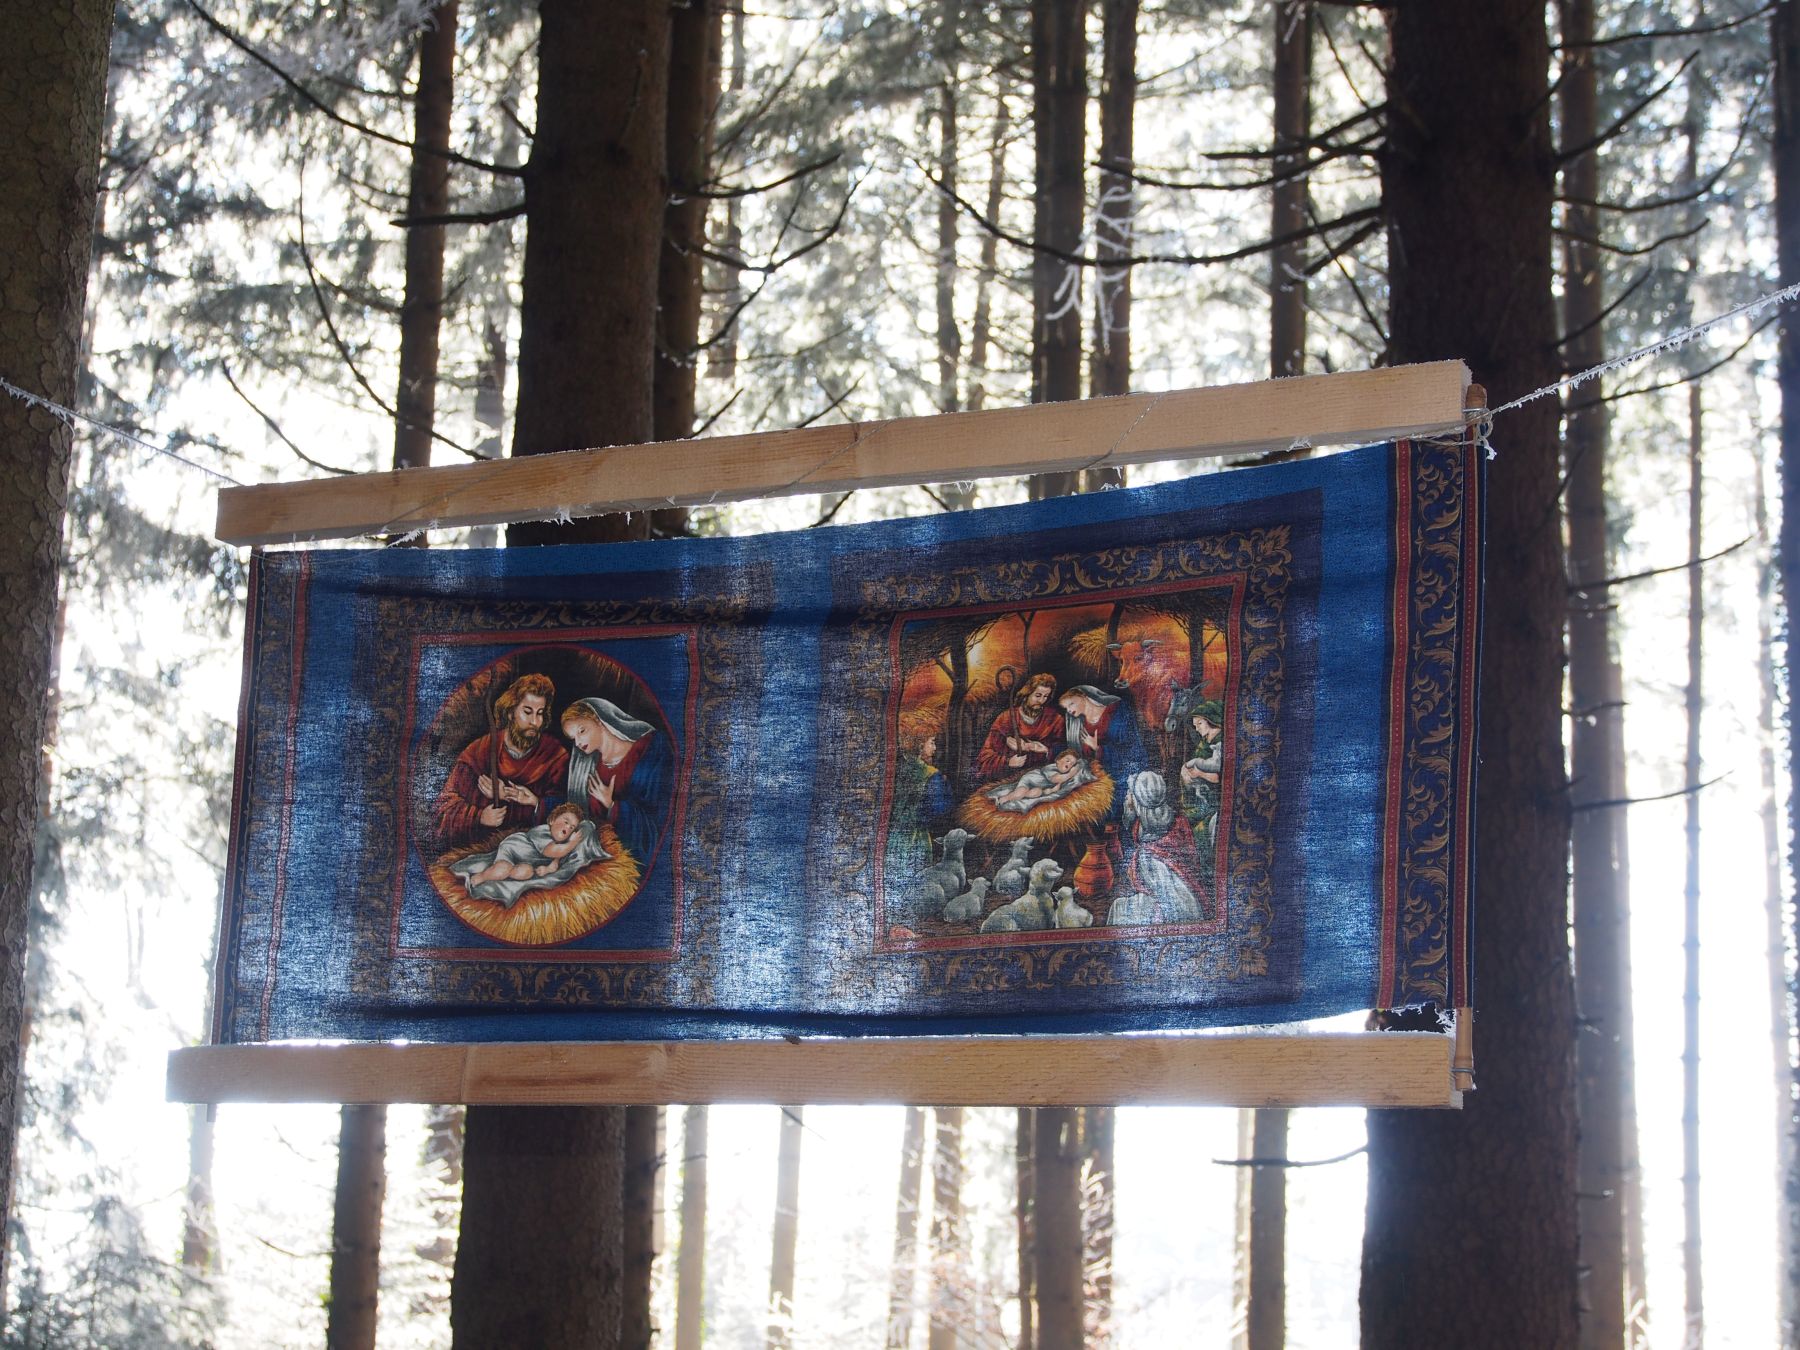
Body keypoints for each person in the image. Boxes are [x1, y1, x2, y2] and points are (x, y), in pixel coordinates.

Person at [432, 672, 570, 850]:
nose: (535, 722)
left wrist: (536, 804)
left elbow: (571, 813)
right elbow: (442, 812)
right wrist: (479, 817)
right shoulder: (479, 753)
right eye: (527, 712)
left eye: (540, 713)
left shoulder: (555, 756)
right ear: (511, 712)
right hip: (482, 852)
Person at [561, 695, 673, 865]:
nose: (578, 742)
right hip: (600, 857)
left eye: (581, 731)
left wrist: (612, 805)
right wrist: (536, 803)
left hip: (641, 856)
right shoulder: (589, 768)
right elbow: (579, 810)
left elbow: (661, 814)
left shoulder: (651, 748)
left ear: (599, 721)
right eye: (573, 738)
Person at [450, 802, 611, 908]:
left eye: (572, 828)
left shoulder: (559, 844)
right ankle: (480, 877)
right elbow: (552, 851)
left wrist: (547, 870)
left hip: (526, 861)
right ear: (552, 820)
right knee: (503, 868)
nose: (568, 827)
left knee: (526, 872)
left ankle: (510, 873)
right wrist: (572, 843)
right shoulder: (543, 833)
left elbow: (554, 863)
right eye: (566, 821)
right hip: (513, 850)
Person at [1106, 770, 1211, 926]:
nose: (1127, 797)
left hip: (1174, 907)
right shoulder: (1145, 826)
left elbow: (1166, 895)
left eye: (1130, 793)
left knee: (1119, 908)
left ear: (1140, 801)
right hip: (1163, 898)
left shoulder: (1148, 855)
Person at [1058, 683, 1150, 818]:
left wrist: (1098, 748)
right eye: (1066, 708)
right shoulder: (1080, 725)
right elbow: (1084, 756)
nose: (1069, 710)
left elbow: (1130, 747)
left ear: (1084, 696)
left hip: (1125, 769)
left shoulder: (1117, 710)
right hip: (1100, 772)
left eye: (1071, 704)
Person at [973, 672, 1065, 782]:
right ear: (1027, 694)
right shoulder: (1006, 718)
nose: (1041, 701)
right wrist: (1008, 762)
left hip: (1042, 777)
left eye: (1045, 696)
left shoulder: (1055, 719)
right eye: (1037, 695)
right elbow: (983, 759)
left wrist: (1046, 751)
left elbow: (1066, 753)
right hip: (1009, 779)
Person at [888, 729, 954, 877]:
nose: (934, 748)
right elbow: (941, 808)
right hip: (917, 839)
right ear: (919, 745)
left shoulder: (897, 770)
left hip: (893, 838)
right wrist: (946, 784)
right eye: (931, 743)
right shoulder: (931, 774)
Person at [984, 747, 1095, 813]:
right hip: (1030, 781)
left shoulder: (1063, 775)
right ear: (1058, 760)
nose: (1069, 764)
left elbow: (1054, 788)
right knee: (1020, 792)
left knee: (1037, 793)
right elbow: (1056, 779)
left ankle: (1019, 799)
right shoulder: (1052, 768)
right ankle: (1003, 799)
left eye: (1072, 764)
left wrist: (1051, 791)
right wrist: (1072, 773)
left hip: (1039, 786)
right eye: (1067, 760)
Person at [1178, 698, 1225, 849]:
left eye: (1199, 724)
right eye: (1195, 726)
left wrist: (1199, 774)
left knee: (1196, 831)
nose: (1197, 729)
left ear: (1211, 721)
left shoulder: (1221, 743)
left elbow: (1221, 777)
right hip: (1197, 797)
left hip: (1213, 799)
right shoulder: (1203, 743)